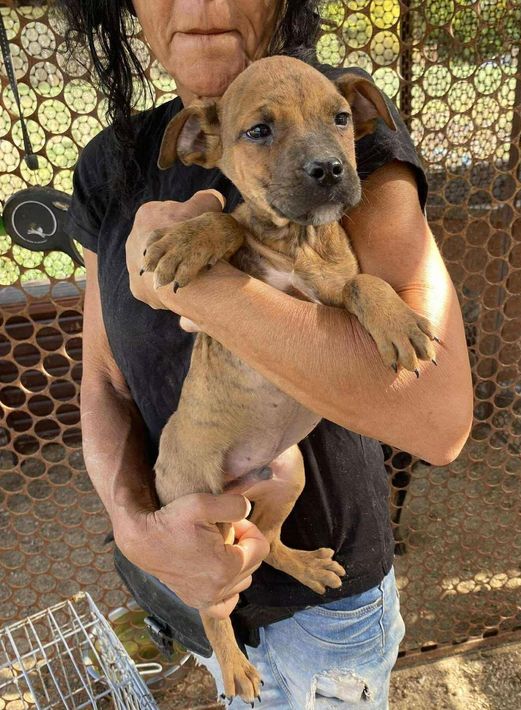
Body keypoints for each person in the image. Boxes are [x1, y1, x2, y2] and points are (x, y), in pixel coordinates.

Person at [58, 0, 473, 707]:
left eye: (337, 121)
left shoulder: (348, 142)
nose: (202, 4)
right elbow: (101, 378)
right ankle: (222, 633)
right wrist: (134, 528)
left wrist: (195, 290)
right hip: (188, 543)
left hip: (332, 615)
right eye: (260, 132)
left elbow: (439, 421)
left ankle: (277, 550)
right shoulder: (109, 165)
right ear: (204, 144)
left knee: (285, 478)